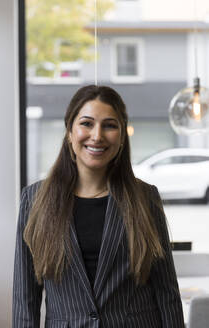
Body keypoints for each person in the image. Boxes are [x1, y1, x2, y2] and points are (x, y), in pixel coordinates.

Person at [12, 85, 185, 327]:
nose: (97, 135)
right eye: (86, 123)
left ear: (122, 136)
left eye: (110, 125)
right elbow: (25, 298)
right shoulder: (34, 199)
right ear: (70, 132)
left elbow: (167, 292)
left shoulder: (145, 197)